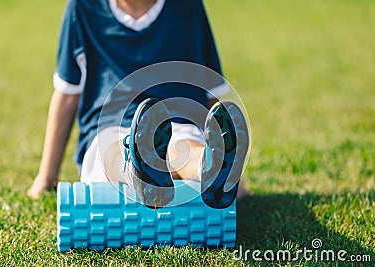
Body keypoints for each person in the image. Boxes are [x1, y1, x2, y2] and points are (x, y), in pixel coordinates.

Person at [27, 0, 250, 209]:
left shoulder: (187, 5)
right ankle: (144, 169)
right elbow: (67, 93)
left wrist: (232, 174)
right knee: (117, 153)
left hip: (177, 121)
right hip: (108, 125)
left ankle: (210, 168)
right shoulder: (84, 6)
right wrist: (46, 176)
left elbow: (209, 88)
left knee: (186, 147)